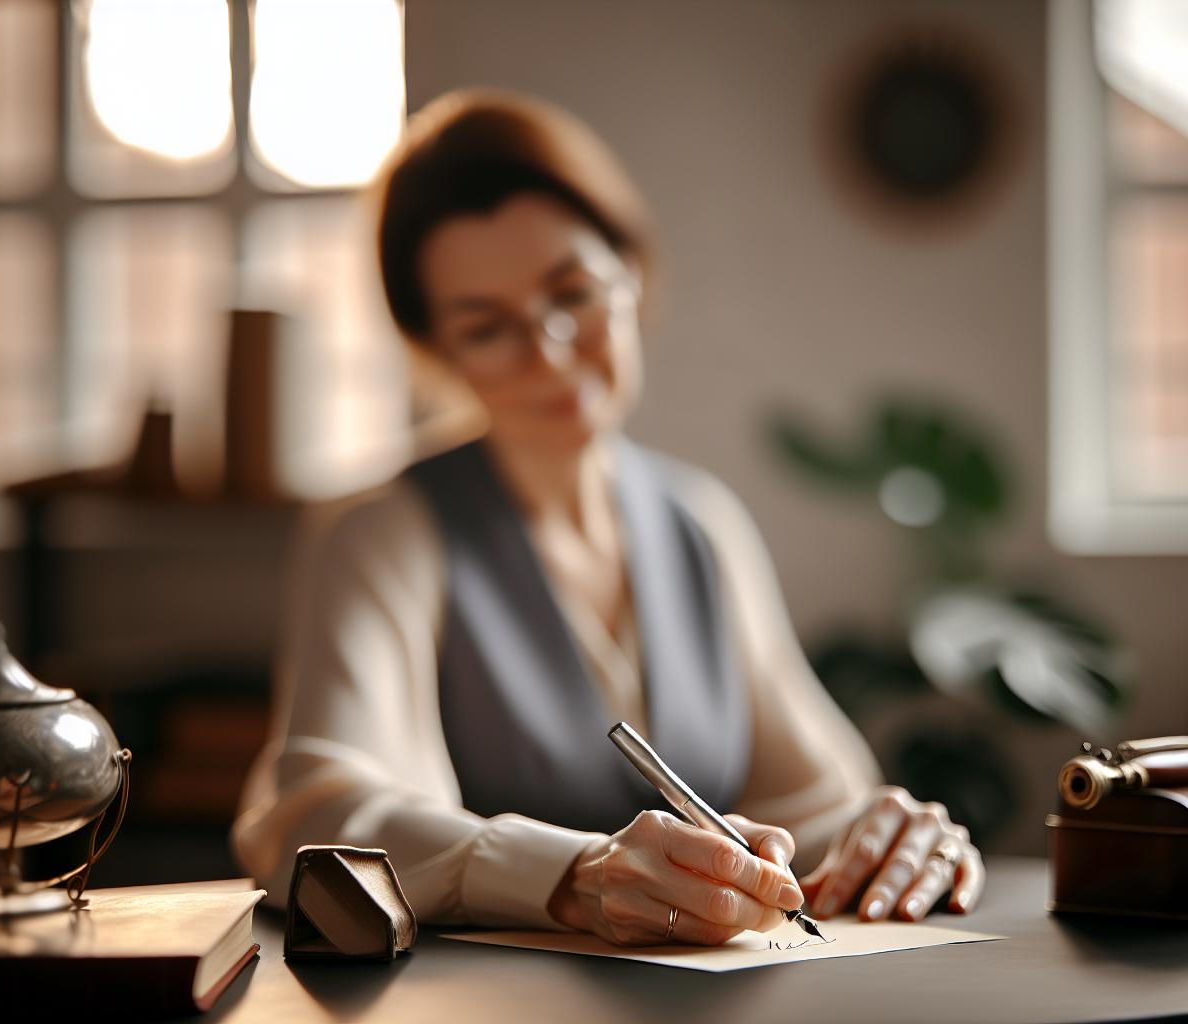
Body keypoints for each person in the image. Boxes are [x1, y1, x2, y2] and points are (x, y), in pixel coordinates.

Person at [232, 90, 983, 947]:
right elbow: (314, 816)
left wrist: (885, 840)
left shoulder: (701, 523)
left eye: (574, 291)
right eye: (486, 328)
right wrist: (569, 878)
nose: (550, 351)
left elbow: (816, 804)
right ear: (438, 351)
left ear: (633, 275)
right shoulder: (383, 534)